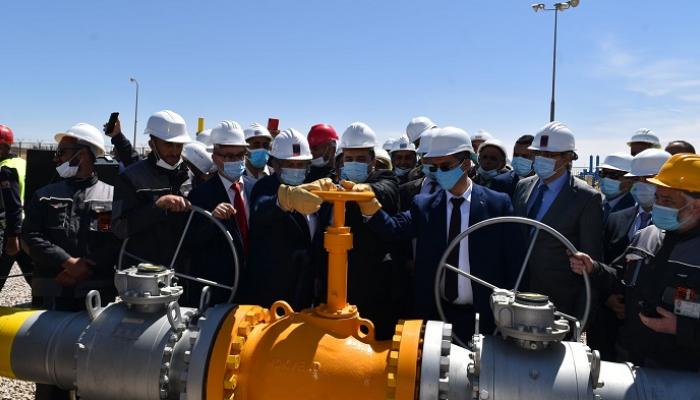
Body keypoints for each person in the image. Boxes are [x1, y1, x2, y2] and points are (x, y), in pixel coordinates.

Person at [362, 126, 524, 339]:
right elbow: (394, 229)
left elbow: (514, 260)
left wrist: (511, 311)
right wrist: (369, 207)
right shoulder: (425, 206)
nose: (439, 173)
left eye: (445, 166)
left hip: (485, 316)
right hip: (436, 314)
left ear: (466, 163)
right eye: (434, 167)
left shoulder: (497, 204)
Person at [570, 153, 700, 371]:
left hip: (682, 374)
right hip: (631, 361)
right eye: (658, 198)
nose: (659, 205)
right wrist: (594, 268)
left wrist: (681, 328)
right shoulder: (647, 237)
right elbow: (620, 278)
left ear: (696, 205)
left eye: (668, 201)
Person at [512, 121, 603, 320]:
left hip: (559, 304)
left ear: (568, 157)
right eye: (538, 153)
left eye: (550, 155)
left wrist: (582, 317)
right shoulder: (523, 187)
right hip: (517, 293)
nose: (541, 159)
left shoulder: (586, 198)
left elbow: (590, 260)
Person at [246, 129, 333, 309]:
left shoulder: (311, 186)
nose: (295, 169)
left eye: (300, 164)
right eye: (290, 164)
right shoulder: (264, 187)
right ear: (275, 164)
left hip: (308, 288)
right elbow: (260, 209)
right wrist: (283, 200)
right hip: (273, 292)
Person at [337, 122, 400, 339]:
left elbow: (385, 191)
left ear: (372, 161)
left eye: (360, 159)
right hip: (340, 280)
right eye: (349, 159)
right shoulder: (336, 183)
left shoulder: (386, 178)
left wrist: (363, 191)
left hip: (376, 282)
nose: (354, 163)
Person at [112, 110, 192, 269]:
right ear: (152, 144)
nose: (175, 151)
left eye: (179, 145)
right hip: (142, 271)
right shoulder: (131, 178)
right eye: (168, 144)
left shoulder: (189, 175)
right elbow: (119, 228)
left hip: (182, 271)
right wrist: (157, 206)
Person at [186, 121, 251, 305]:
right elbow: (191, 244)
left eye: (240, 155)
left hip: (254, 289)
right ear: (215, 158)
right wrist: (211, 220)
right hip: (219, 291)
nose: (235, 161)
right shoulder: (199, 195)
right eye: (228, 156)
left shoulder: (256, 188)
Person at [605, 149, 672, 263]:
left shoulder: (676, 224)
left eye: (648, 179)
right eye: (636, 179)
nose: (641, 184)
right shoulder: (615, 219)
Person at [0, 124, 33, 292]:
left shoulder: (5, 169)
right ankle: (48, 303)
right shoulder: (22, 163)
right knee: (33, 275)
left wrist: (12, 236)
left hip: (10, 229)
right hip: (25, 225)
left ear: (3, 146)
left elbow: (13, 204)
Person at [490, 134, 534, 198]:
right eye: (516, 155)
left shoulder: (542, 182)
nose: (519, 159)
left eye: (524, 156)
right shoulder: (500, 182)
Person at [598, 152, 635, 223]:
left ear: (631, 179)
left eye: (613, 175)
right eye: (603, 173)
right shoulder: (596, 204)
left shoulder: (632, 209)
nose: (606, 178)